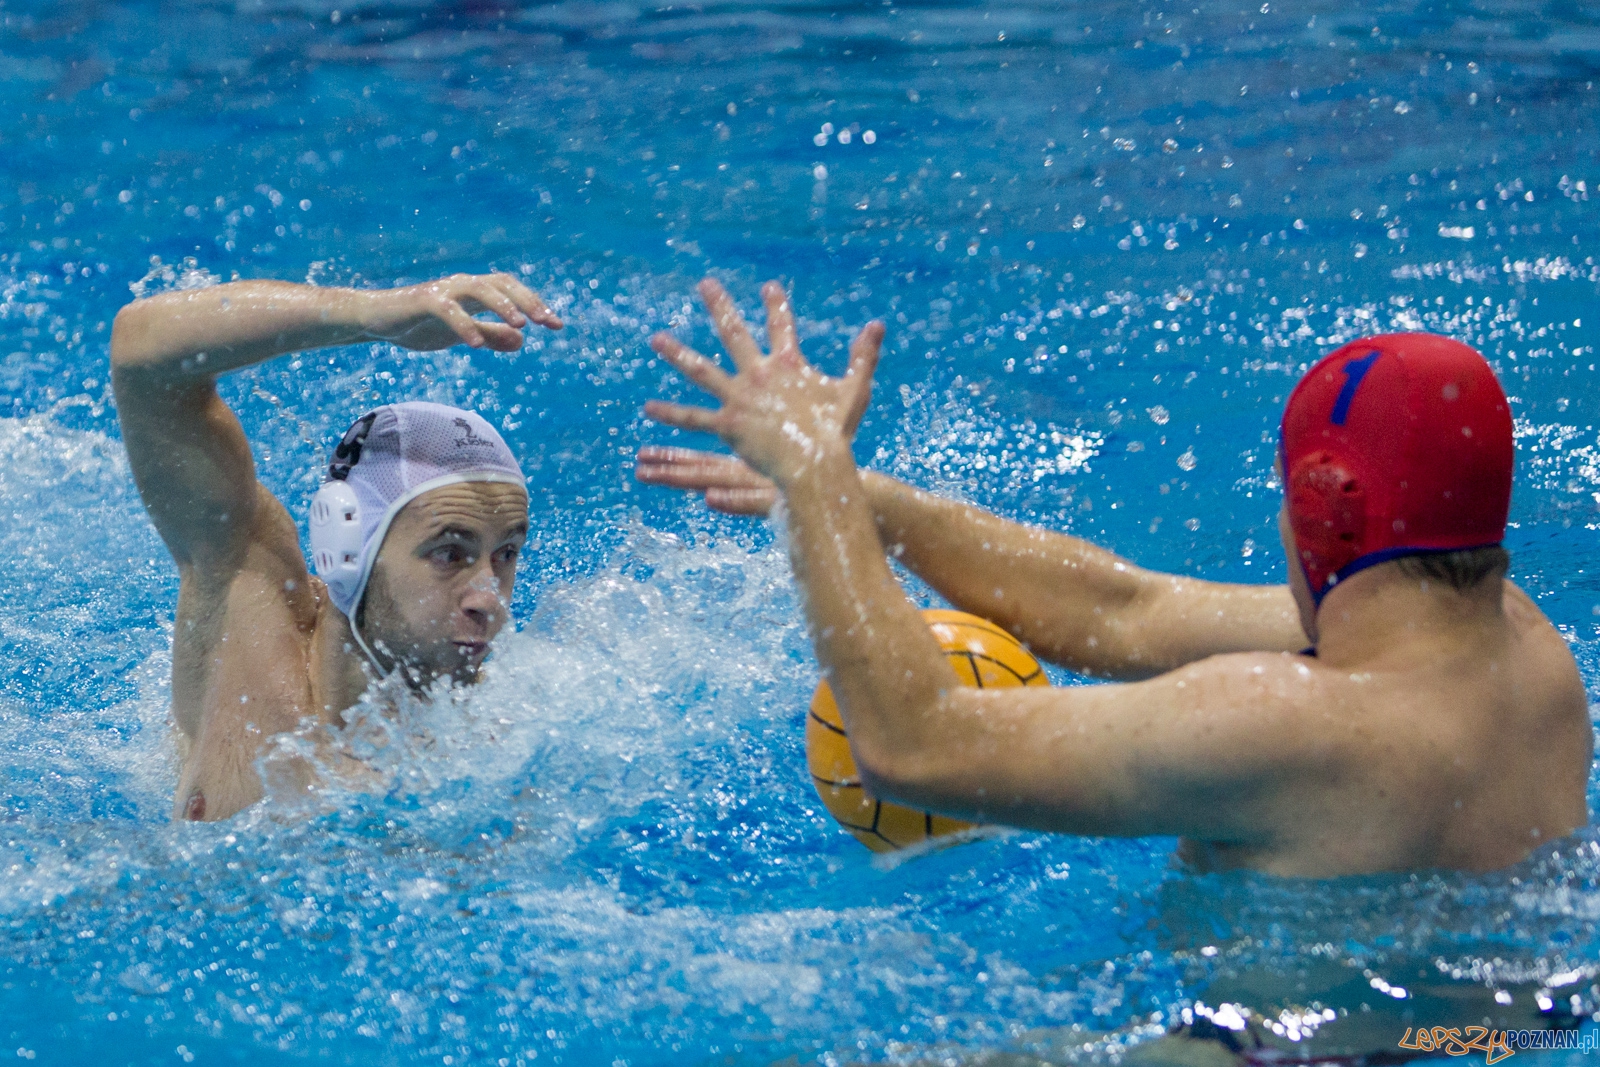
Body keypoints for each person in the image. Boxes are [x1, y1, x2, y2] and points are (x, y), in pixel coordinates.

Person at [637, 277, 1591, 878]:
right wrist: (866, 500)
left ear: (1325, 509)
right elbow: (1126, 612)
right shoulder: (1522, 641)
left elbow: (914, 743)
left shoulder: (1286, 726)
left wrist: (812, 477)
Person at [110, 271, 562, 822]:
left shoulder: (502, 747)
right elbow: (142, 354)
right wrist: (369, 314)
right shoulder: (245, 604)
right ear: (348, 548)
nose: (489, 599)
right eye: (449, 554)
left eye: (506, 554)